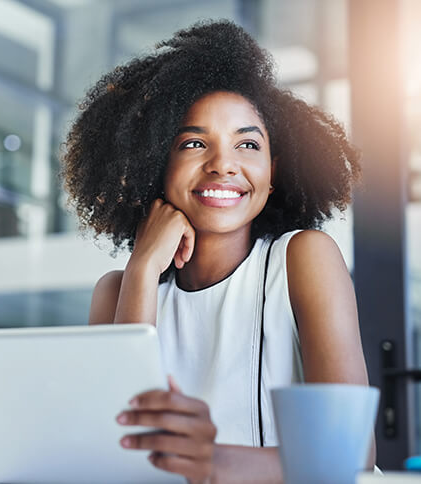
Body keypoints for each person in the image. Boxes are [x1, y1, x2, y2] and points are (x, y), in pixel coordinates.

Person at [61, 19, 375, 484]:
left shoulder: (302, 259)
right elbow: (118, 452)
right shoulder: (118, 289)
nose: (224, 164)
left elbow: (350, 454)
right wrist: (144, 267)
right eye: (193, 143)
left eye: (248, 144)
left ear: (273, 171)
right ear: (155, 164)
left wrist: (213, 462)